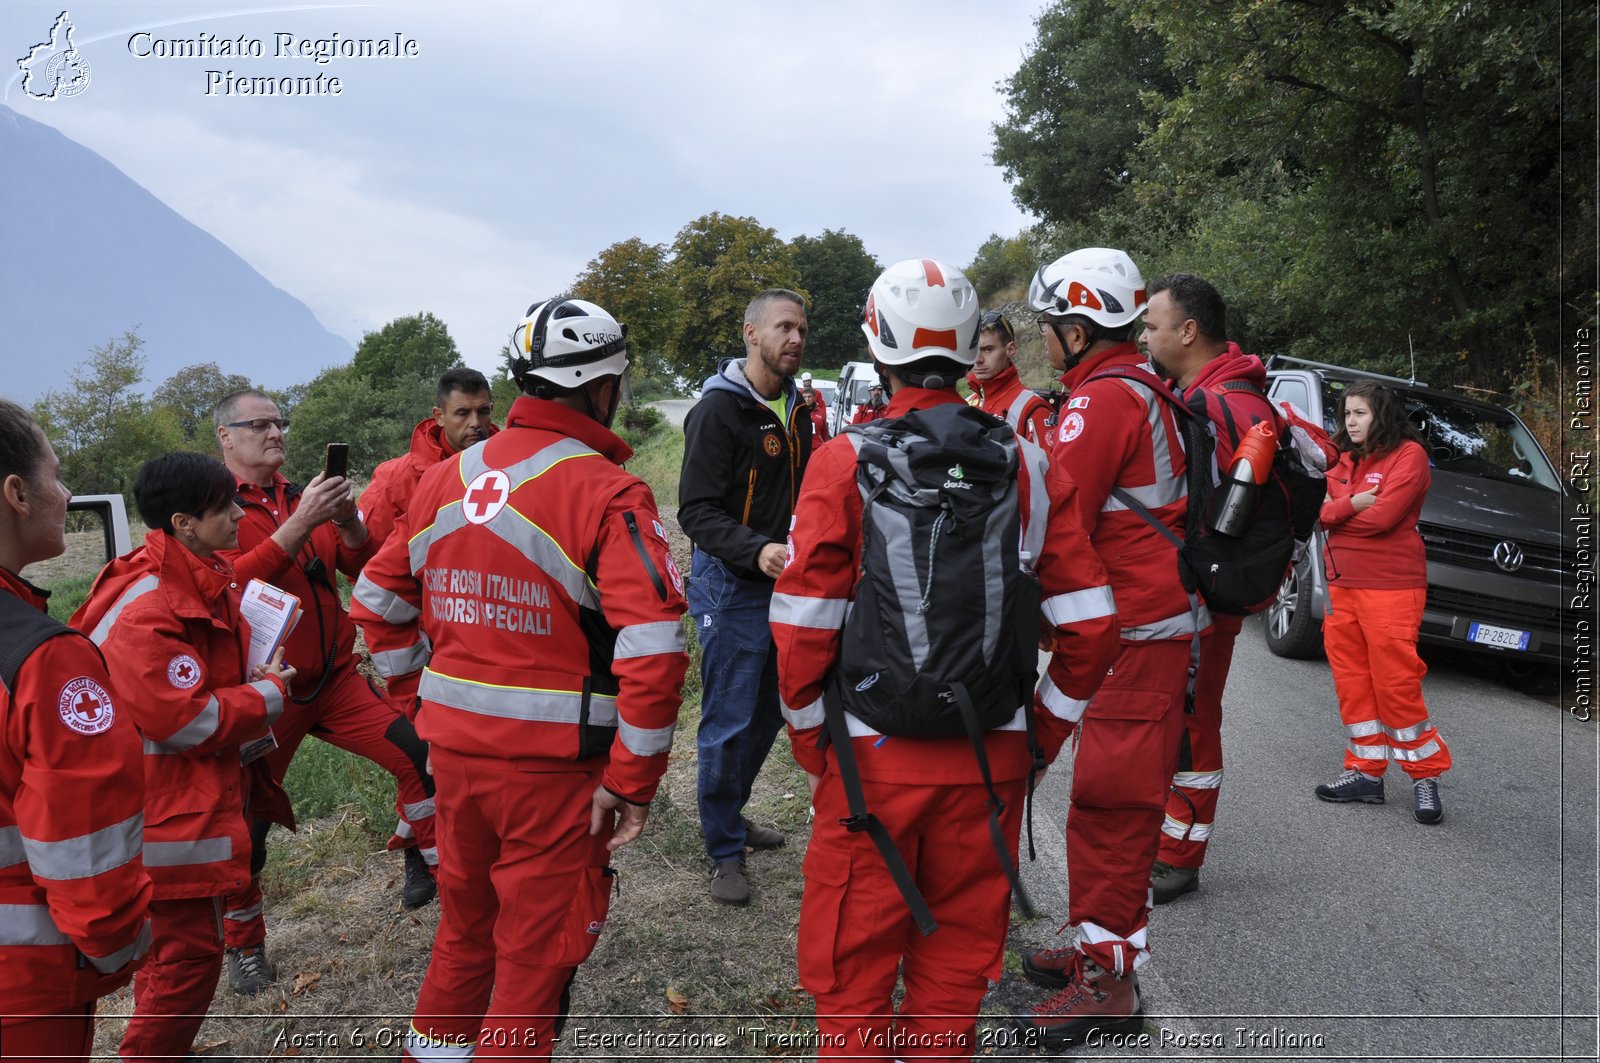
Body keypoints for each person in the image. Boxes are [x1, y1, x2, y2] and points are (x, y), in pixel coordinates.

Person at [772, 259, 1120, 1060]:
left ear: (878, 344)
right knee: (955, 982)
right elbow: (1094, 627)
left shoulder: (844, 461)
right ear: (972, 350)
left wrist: (808, 738)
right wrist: (1041, 734)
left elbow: (800, 626)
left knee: (852, 984)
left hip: (867, 766)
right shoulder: (1030, 464)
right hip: (990, 756)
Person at [350, 297, 688, 1061]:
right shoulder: (606, 489)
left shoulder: (443, 479)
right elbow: (658, 646)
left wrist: (417, 701)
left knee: (465, 936)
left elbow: (374, 601)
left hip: (456, 762)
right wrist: (633, 780)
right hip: (555, 777)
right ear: (604, 388)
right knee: (532, 969)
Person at [1017, 248, 1212, 1046]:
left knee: (1109, 806)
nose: (1046, 339)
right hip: (1149, 630)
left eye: (1050, 325)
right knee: (1114, 803)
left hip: (1139, 635)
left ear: (1075, 324)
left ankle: (1109, 987)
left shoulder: (1101, 403)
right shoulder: (1143, 385)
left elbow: (1056, 518)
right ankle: (1105, 945)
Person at [212, 389, 438, 996]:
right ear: (225, 438)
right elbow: (224, 584)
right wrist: (300, 523)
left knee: (417, 752)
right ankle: (245, 944)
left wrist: (344, 520)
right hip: (265, 689)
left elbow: (359, 565)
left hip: (334, 678)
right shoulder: (211, 503)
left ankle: (423, 853)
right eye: (258, 424)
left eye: (279, 422)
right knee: (246, 822)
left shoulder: (296, 495)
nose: (275, 432)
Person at [72, 452, 297, 1062]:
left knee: (170, 957)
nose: (236, 515)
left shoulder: (191, 573)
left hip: (176, 803)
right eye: (223, 507)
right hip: (164, 813)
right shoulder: (151, 605)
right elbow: (186, 720)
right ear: (182, 522)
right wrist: (268, 694)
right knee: (189, 963)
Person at [0, 399, 152, 1063]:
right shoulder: (44, 658)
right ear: (15, 493)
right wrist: (120, 950)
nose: (65, 495)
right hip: (23, 990)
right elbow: (85, 844)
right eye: (56, 476)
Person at [1136, 273, 1278, 903]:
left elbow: (1193, 514)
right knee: (1189, 715)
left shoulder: (1215, 405)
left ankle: (1179, 856)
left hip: (1201, 596)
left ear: (1187, 331)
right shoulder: (1239, 393)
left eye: (1151, 324)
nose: (1143, 335)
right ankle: (1167, 843)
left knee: (1193, 722)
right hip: (1212, 593)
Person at [677, 289, 812, 905]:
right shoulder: (717, 412)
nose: (796, 339)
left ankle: (732, 814)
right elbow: (696, 513)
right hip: (730, 583)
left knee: (768, 713)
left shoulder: (799, 409)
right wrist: (754, 549)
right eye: (784, 327)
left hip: (786, 582)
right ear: (750, 332)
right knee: (728, 718)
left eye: (802, 330)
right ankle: (724, 851)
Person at [1313, 380, 1450, 822]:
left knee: (1396, 683)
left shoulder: (1409, 455)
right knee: (1352, 680)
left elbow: (1384, 518)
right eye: (1347, 414)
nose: (1350, 422)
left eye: (1360, 414)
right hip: (1342, 585)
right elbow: (1316, 515)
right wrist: (1352, 503)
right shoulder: (1342, 459)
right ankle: (1366, 773)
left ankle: (1424, 776)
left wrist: (1340, 511)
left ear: (1382, 416)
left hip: (1391, 587)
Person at [359, 367, 497, 552]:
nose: (475, 422)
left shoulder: (516, 466)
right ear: (439, 416)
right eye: (463, 413)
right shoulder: (395, 480)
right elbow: (365, 560)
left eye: (483, 411)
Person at [965, 310, 1052, 444]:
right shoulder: (965, 404)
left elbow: (1047, 465)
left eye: (988, 350)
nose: (978, 359)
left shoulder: (1033, 408)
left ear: (1010, 349)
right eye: (973, 351)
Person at [800, 371, 831, 442]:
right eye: (805, 381)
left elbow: (822, 407)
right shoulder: (799, 393)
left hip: (817, 419)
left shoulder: (817, 393)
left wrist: (821, 418)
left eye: (808, 381)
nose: (807, 382)